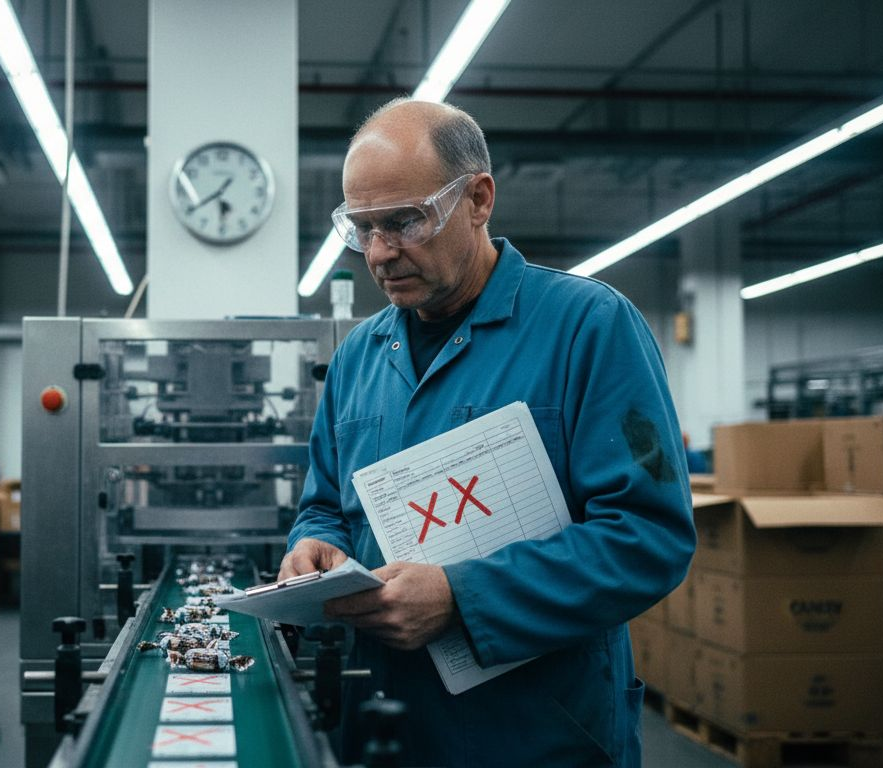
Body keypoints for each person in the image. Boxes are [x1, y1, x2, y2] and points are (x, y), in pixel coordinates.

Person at [279, 99, 695, 767]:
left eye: (405, 221)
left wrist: (461, 598)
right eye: (362, 230)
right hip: (381, 723)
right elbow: (324, 503)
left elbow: (648, 538)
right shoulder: (360, 355)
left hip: (536, 733)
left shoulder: (588, 328)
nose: (380, 253)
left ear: (478, 199)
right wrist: (314, 547)